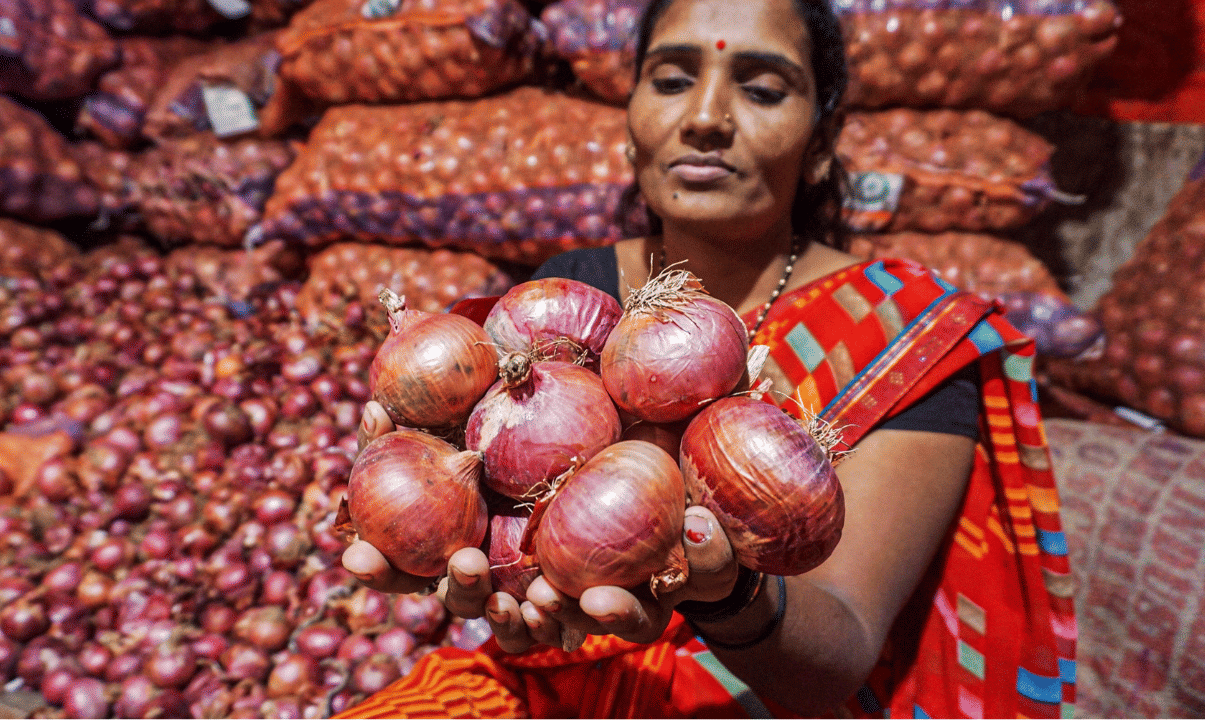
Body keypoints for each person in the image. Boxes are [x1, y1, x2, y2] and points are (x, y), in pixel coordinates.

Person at [337, 0, 1078, 716]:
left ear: (821, 144)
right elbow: (502, 518)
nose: (705, 118)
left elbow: (843, 644)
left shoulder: (905, 330)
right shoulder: (564, 291)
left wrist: (728, 593)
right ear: (630, 126)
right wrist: (435, 509)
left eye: (761, 88)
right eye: (670, 80)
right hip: (551, 687)